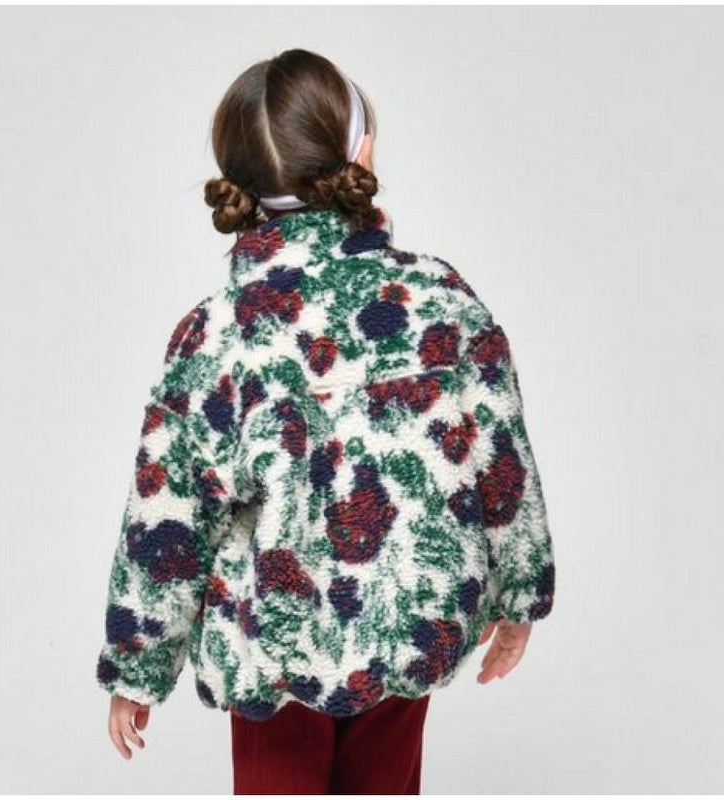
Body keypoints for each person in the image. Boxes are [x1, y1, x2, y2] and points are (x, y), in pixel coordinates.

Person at [95, 48, 557, 794]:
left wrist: (137, 667)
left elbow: (167, 518)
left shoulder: (217, 336)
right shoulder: (439, 299)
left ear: (237, 181)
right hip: (409, 621)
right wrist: (519, 596)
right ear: (361, 153)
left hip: (274, 642)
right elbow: (501, 458)